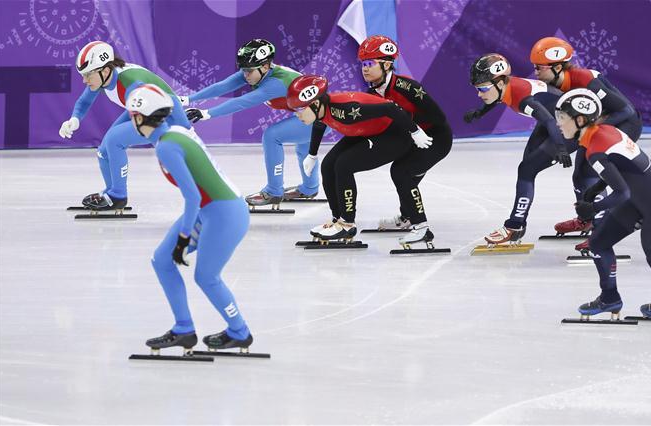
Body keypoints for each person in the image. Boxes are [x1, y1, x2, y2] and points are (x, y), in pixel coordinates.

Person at [125, 84, 254, 353]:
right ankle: (183, 328)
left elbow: (193, 196)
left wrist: (184, 237)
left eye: (131, 115)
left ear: (140, 117)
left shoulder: (167, 147)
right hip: (212, 210)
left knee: (206, 277)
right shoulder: (173, 133)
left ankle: (239, 331)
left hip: (225, 214)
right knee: (162, 260)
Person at [555, 88, 651, 318]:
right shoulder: (605, 131)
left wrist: (592, 208)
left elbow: (621, 193)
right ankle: (610, 298)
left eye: (562, 117)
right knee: (598, 243)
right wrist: (596, 189)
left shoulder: (595, 150)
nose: (558, 123)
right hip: (646, 199)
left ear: (580, 120)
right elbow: (622, 169)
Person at [286, 75, 433, 241]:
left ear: (315, 103)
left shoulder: (345, 110)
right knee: (328, 165)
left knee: (344, 165)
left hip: (395, 135)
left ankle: (347, 224)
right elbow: (320, 124)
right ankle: (337, 220)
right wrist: (312, 155)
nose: (297, 115)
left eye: (299, 110)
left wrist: (415, 131)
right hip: (372, 131)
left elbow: (390, 108)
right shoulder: (322, 109)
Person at [529, 36, 642, 246]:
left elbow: (626, 110)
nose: (535, 72)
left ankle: (601, 230)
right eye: (534, 67)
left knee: (590, 171)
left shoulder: (583, 79)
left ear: (558, 67)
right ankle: (587, 220)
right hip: (599, 123)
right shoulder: (556, 84)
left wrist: (590, 128)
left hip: (625, 123)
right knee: (579, 173)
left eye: (539, 67)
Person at [184, 38, 320, 207]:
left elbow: (242, 102)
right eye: (242, 69)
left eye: (248, 71)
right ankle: (310, 188)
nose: (245, 75)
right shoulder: (256, 72)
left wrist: (206, 113)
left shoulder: (275, 83)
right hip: (311, 114)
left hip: (320, 118)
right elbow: (223, 86)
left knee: (272, 136)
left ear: (265, 67)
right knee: (304, 147)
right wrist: (188, 99)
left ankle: (274, 191)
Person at [59, 40, 189, 210]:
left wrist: (185, 131)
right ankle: (111, 192)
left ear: (105, 70)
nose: (84, 80)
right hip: (141, 110)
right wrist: (74, 119)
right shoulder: (103, 77)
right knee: (103, 150)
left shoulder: (131, 83)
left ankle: (118, 195)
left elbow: (171, 101)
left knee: (114, 140)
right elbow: (84, 102)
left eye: (88, 75)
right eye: (83, 75)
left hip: (163, 117)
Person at [464, 53, 575, 245]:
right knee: (526, 167)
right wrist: (479, 113)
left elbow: (549, 121)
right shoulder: (504, 87)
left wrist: (561, 148)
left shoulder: (523, 99)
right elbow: (497, 99)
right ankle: (518, 225)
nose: (479, 95)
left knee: (526, 169)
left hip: (571, 126)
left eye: (482, 89)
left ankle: (514, 226)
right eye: (477, 89)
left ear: (500, 82)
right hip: (557, 119)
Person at [358, 35, 453, 246]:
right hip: (413, 137)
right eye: (363, 64)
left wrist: (412, 126)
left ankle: (421, 227)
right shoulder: (372, 92)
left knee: (402, 172)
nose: (365, 69)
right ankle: (408, 217)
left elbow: (439, 117)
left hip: (436, 137)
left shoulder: (406, 87)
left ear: (386, 65)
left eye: (370, 64)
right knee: (404, 175)